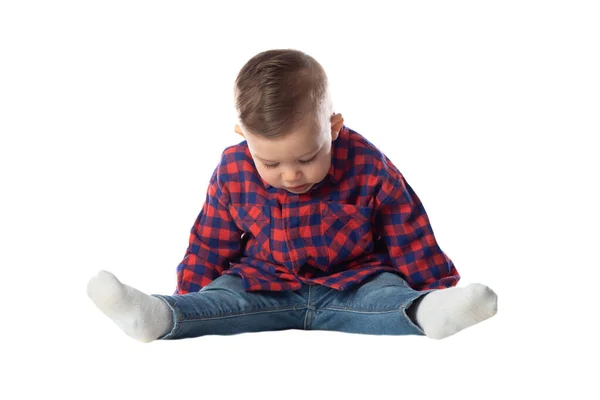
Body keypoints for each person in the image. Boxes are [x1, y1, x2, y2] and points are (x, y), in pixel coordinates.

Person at [87, 49, 497, 343]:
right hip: (265, 283)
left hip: (353, 283)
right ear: (243, 139)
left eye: (307, 157)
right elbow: (211, 242)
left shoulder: (368, 164)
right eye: (271, 164)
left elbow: (406, 230)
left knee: (387, 298)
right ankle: (160, 316)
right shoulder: (232, 170)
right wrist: (192, 293)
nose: (290, 174)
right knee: (223, 300)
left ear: (333, 128)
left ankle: (430, 312)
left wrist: (437, 287)